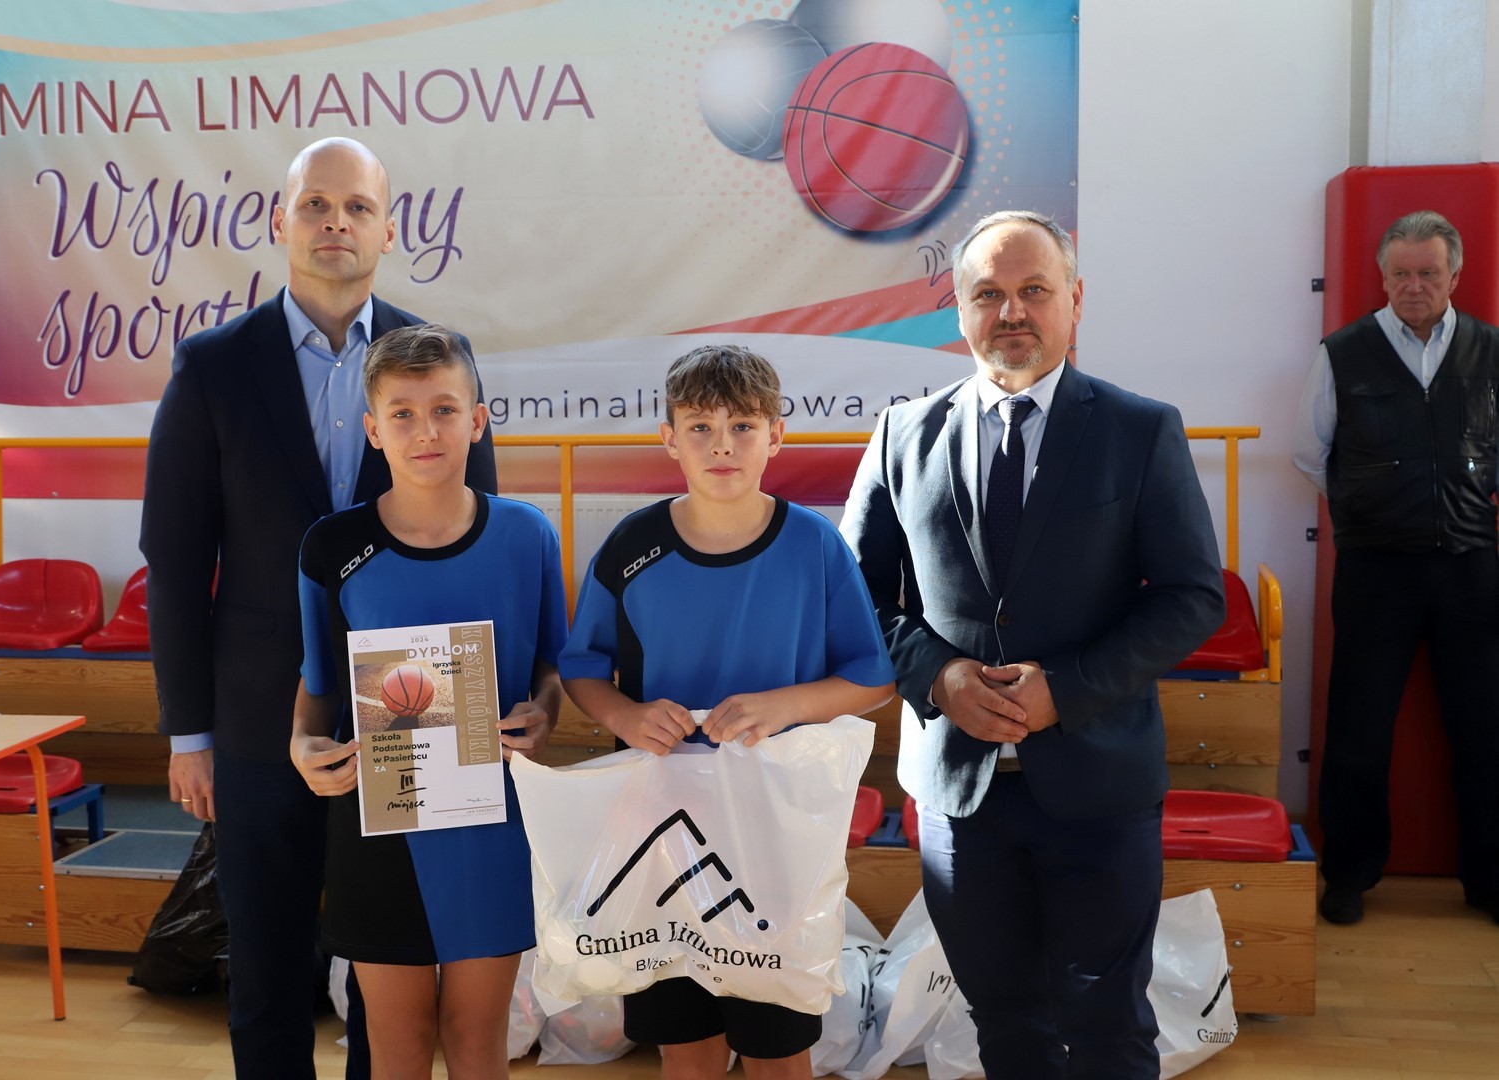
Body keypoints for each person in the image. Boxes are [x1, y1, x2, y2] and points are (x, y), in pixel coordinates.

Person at [139, 137, 496, 1079]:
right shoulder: (213, 366)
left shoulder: (439, 360)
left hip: (413, 712)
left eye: (358, 207)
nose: (336, 222)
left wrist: (490, 713)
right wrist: (189, 735)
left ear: (388, 229)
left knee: (392, 976)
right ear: (281, 221)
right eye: (316, 205)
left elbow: (482, 541)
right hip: (258, 722)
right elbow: (174, 563)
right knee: (266, 971)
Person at [841, 210, 1224, 1079]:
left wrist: (1068, 687)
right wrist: (937, 676)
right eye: (988, 294)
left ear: (1075, 301)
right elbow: (852, 597)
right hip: (959, 798)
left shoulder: (1139, 430)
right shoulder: (903, 435)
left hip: (1100, 788)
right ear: (960, 310)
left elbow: (1192, 597)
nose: (1011, 312)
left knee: (1109, 1030)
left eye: (1034, 290)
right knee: (1004, 1027)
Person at [559, 344, 895, 1079]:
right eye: (701, 427)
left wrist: (786, 705)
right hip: (660, 832)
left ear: (776, 435)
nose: (722, 445)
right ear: (668, 438)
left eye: (742, 426)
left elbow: (873, 675)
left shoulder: (814, 545)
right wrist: (626, 717)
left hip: (776, 834)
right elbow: (583, 667)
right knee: (686, 1046)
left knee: (778, 1046)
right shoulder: (633, 545)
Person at [290, 323, 565, 1080]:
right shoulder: (331, 547)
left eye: (444, 409)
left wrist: (544, 712)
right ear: (373, 430)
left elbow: (551, 669)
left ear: (477, 420)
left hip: (490, 819)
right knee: (398, 1045)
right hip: (380, 826)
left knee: (479, 1041)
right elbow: (316, 688)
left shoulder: (527, 535)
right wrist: (302, 747)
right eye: (403, 414)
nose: (426, 430)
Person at [1293, 209, 1499, 928]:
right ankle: (1348, 874)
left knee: (1485, 727)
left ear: (1454, 275)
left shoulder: (1490, 351)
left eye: (1428, 273)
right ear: (1383, 276)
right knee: (1359, 726)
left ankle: (1490, 878)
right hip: (1375, 571)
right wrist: (1372, 512)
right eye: (1401, 274)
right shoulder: (1343, 353)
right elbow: (1310, 453)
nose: (1415, 286)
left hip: (1471, 567)